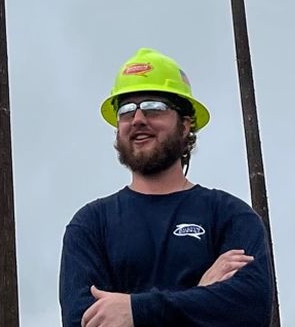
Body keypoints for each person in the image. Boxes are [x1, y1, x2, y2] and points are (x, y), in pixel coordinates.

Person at [59, 48, 273, 327]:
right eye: (126, 110)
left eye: (153, 107)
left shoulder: (230, 216)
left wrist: (135, 311)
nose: (137, 119)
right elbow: (85, 322)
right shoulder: (90, 225)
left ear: (185, 126)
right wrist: (200, 294)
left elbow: (250, 310)